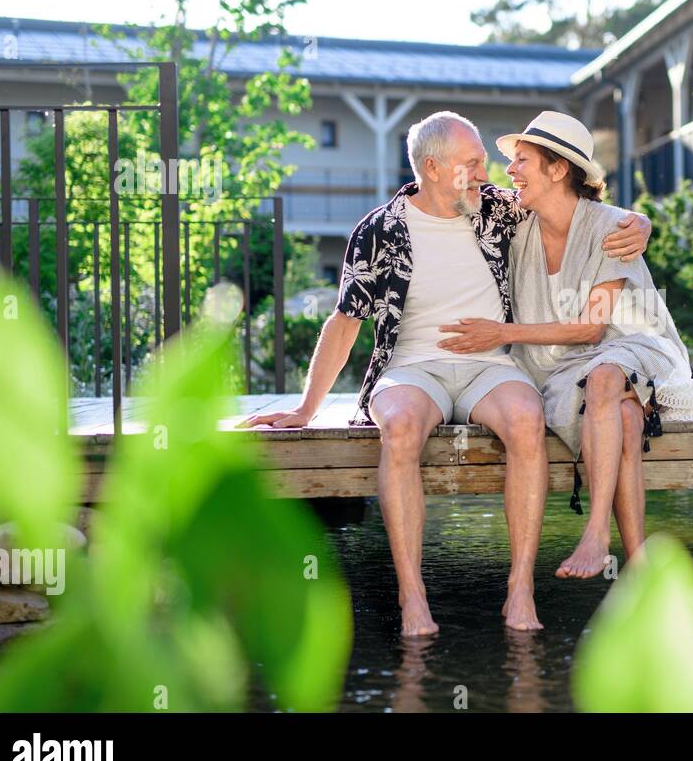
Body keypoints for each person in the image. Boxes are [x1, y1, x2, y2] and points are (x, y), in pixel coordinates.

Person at [241, 111, 651, 634]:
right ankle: (414, 599)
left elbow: (578, 209)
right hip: (412, 368)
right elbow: (344, 324)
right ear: (432, 168)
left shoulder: (498, 210)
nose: (488, 171)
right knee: (402, 426)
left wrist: (639, 223)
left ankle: (520, 589)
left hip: (489, 366)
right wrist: (305, 408)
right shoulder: (380, 230)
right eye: (472, 162)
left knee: (526, 419)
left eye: (485, 160)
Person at [437, 112, 693, 579]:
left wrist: (500, 333)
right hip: (556, 367)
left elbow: (590, 329)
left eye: (522, 160)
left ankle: (595, 534)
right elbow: (444, 194)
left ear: (559, 168)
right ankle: (640, 564)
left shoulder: (610, 227)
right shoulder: (514, 219)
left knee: (607, 377)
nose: (511, 171)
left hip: (632, 346)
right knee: (624, 414)